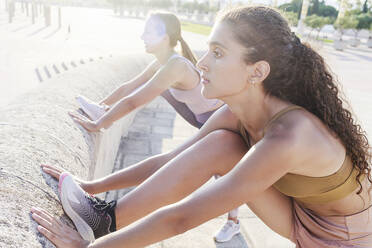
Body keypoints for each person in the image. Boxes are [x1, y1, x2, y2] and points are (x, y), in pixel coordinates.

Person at [31, 6, 372, 248]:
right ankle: (104, 218)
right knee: (221, 147)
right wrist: (93, 185)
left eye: (218, 53)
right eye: (207, 50)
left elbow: (183, 218)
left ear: (257, 71)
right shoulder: (235, 114)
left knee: (223, 149)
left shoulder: (291, 134)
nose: (202, 63)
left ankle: (101, 232)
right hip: (301, 213)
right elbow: (173, 161)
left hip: (341, 238)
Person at [66, 11, 240, 242]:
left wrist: (100, 124)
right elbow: (129, 87)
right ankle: (102, 208)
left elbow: (134, 101)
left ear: (165, 36)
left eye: (149, 31)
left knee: (225, 174)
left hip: (219, 117)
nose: (142, 36)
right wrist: (101, 107)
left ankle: (233, 222)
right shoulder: (164, 62)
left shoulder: (176, 65)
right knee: (217, 171)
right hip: (204, 119)